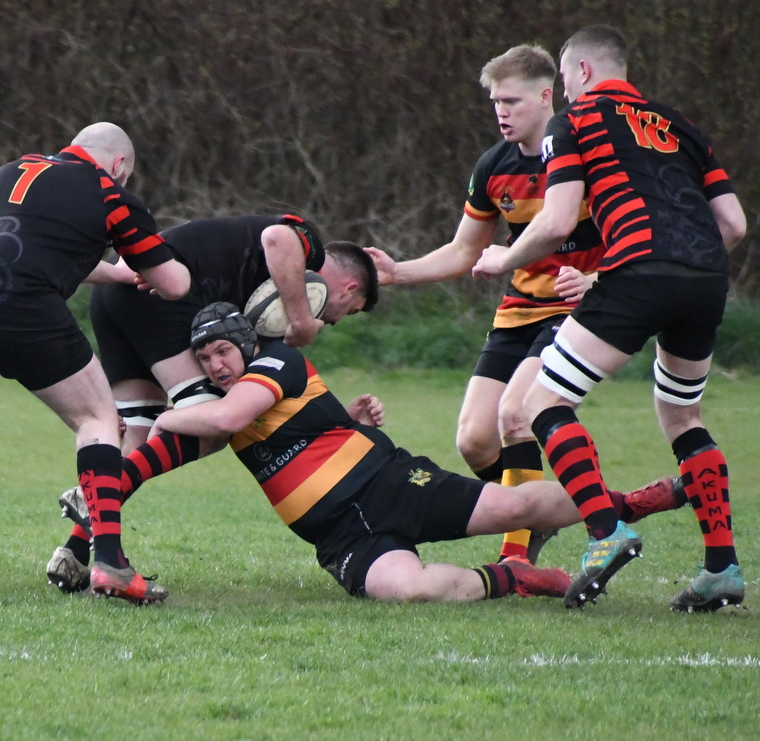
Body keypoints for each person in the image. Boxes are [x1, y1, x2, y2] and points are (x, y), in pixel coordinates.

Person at [55, 302, 685, 602]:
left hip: (390, 483)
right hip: (340, 537)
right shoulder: (215, 405)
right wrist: (106, 489)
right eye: (205, 358)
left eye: (223, 350)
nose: (216, 364)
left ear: (245, 344)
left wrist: (158, 413)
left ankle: (630, 505)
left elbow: (225, 417)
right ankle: (513, 577)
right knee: (407, 592)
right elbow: (165, 457)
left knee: (513, 507)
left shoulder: (275, 363)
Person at [472, 25, 747, 611]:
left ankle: (606, 530)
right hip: (706, 277)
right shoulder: (680, 125)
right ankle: (721, 568)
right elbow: (734, 224)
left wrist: (505, 258)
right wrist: (688, 265)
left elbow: (556, 220)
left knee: (541, 404)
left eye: (565, 77)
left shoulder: (572, 121)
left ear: (583, 71)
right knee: (683, 416)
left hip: (637, 272)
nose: (565, 89)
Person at [0, 122, 191, 603]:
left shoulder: (14, 169)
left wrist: (116, 275)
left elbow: (38, 247)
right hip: (16, 300)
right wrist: (167, 268)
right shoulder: (109, 192)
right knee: (98, 418)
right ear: (118, 165)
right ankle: (110, 564)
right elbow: (173, 284)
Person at [365, 44, 612, 566]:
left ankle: (516, 557)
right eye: (495, 102)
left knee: (515, 416)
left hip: (576, 313)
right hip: (518, 312)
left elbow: (636, 238)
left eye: (511, 101)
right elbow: (465, 250)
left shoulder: (588, 154)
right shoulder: (494, 165)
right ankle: (552, 509)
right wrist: (396, 272)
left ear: (546, 96)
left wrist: (595, 279)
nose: (501, 111)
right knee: (475, 441)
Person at [45, 218, 379, 590]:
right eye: (349, 311)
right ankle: (99, 492)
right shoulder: (308, 248)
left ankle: (75, 554)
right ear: (349, 289)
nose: (335, 321)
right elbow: (276, 237)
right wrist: (301, 321)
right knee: (211, 425)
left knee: (137, 437)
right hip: (157, 295)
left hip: (117, 295)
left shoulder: (270, 275)